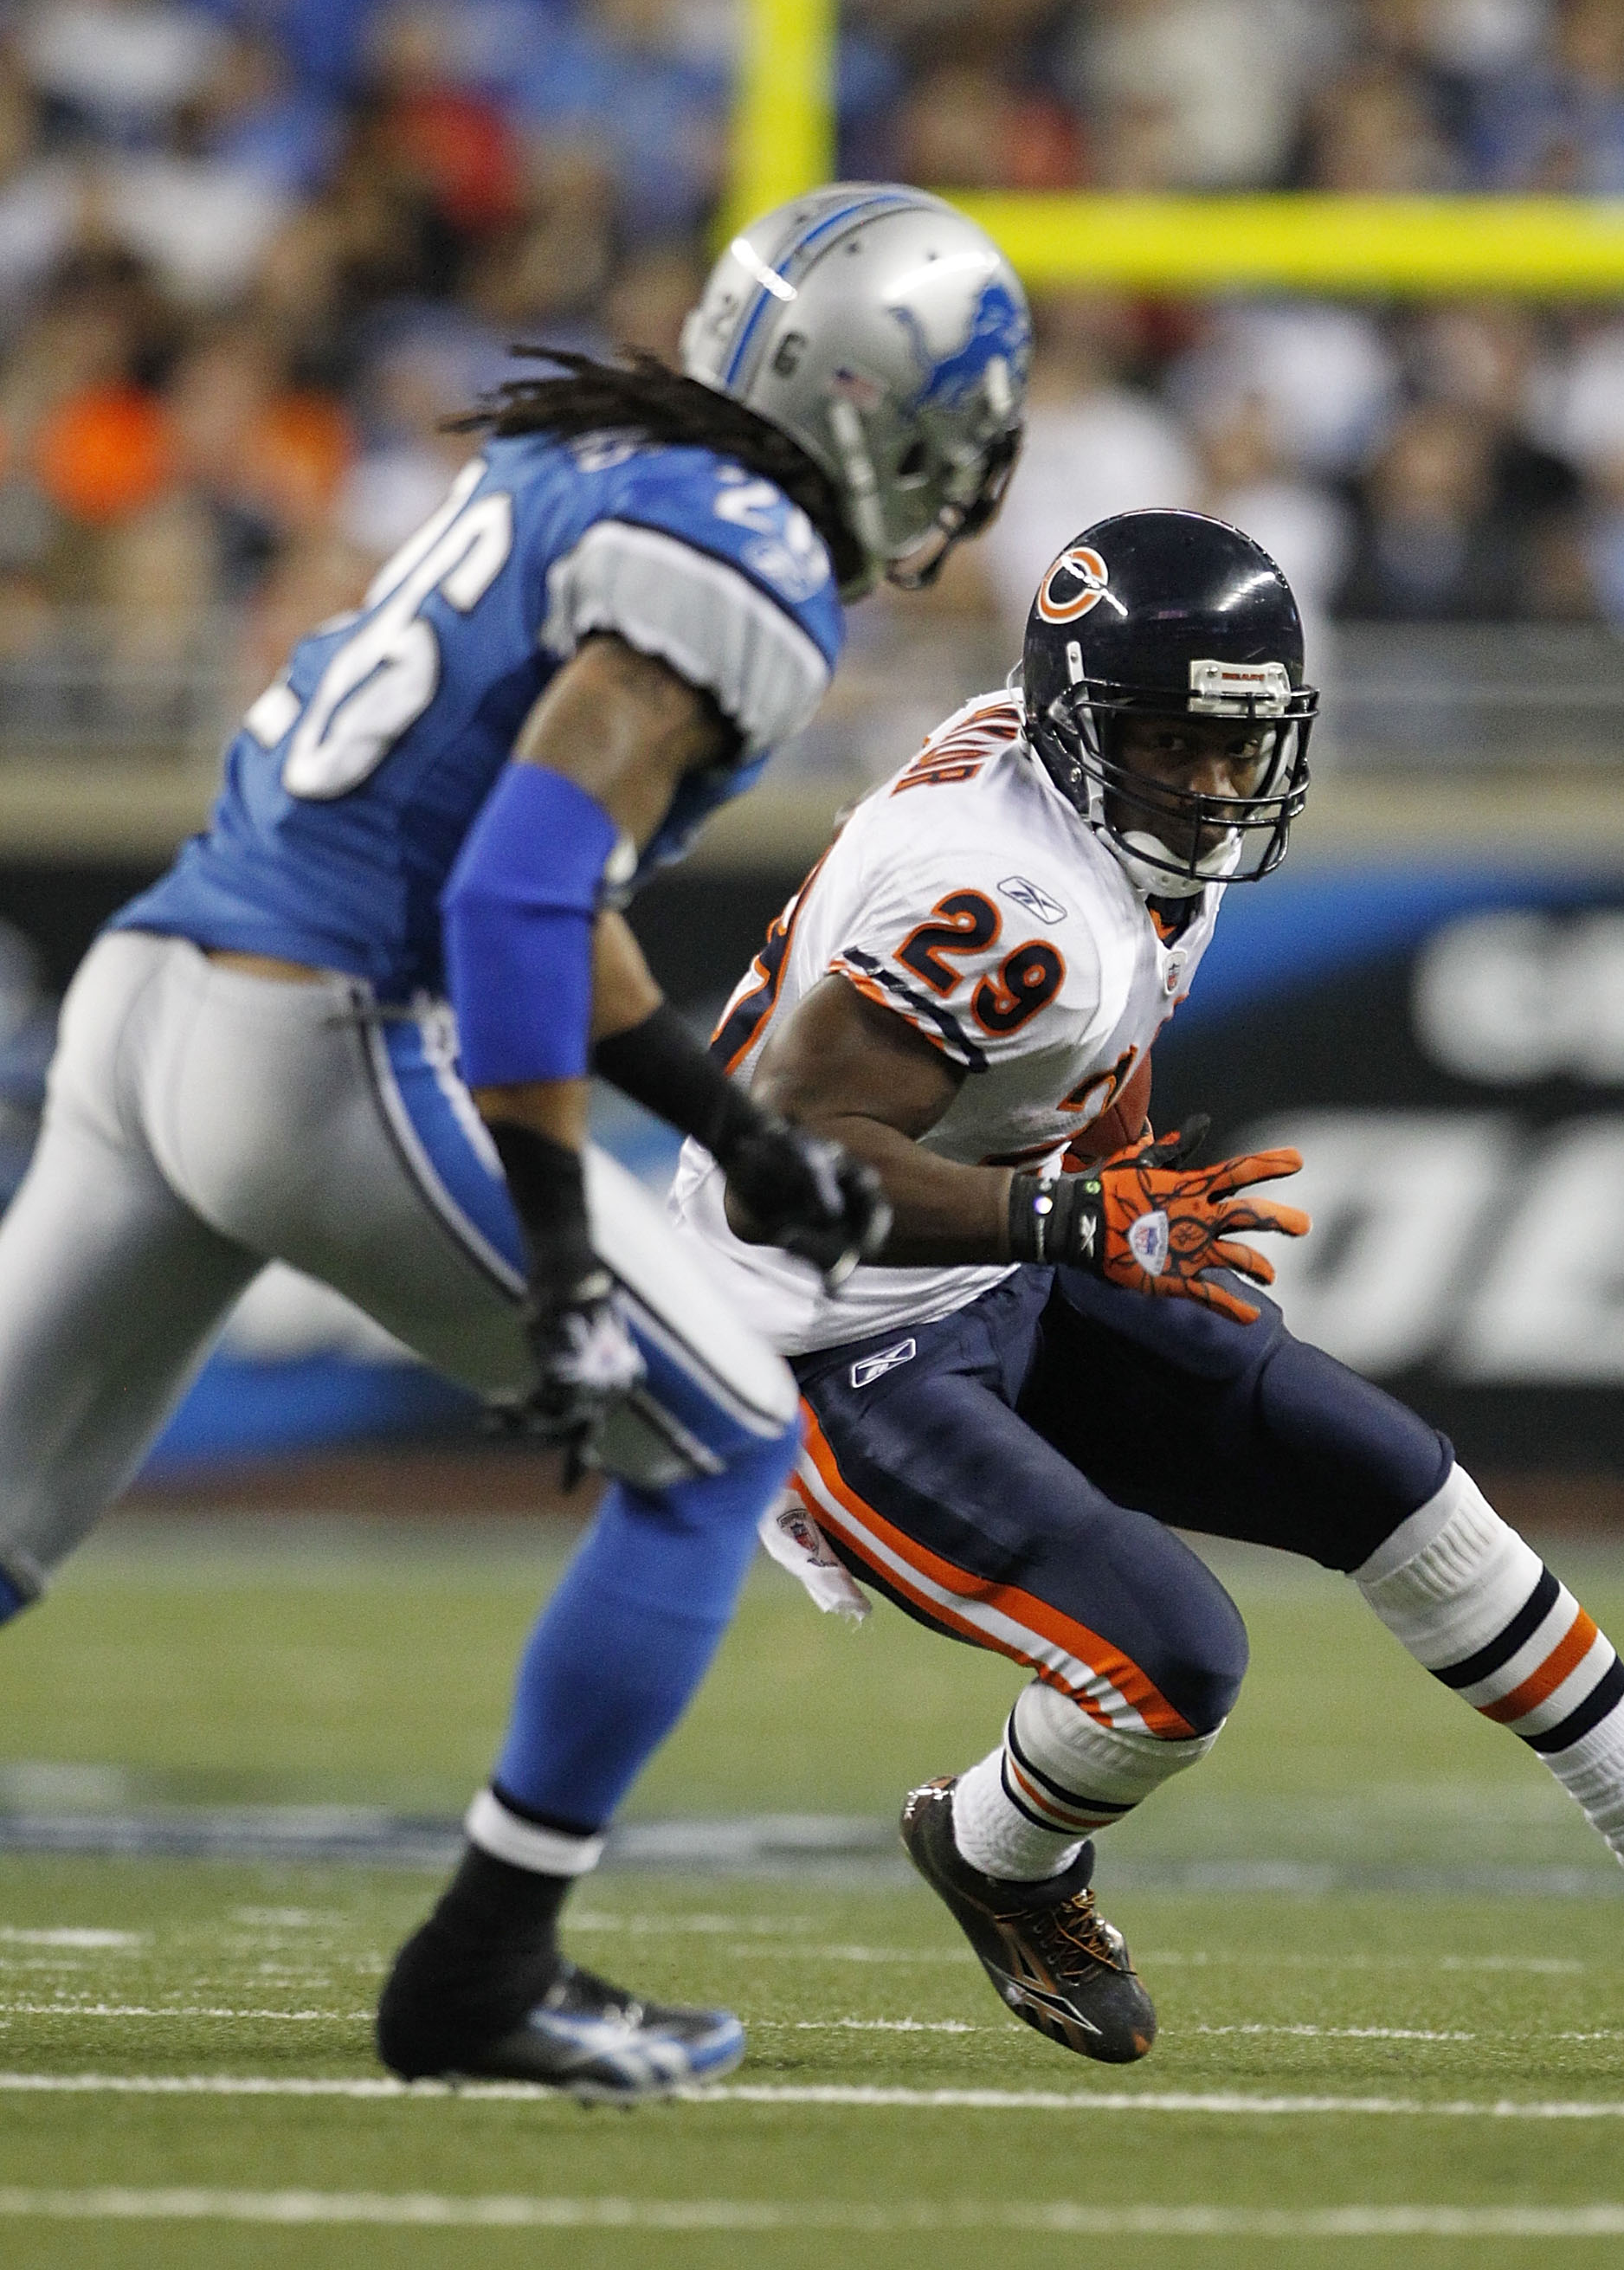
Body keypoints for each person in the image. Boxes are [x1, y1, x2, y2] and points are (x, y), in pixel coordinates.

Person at [650, 507, 1624, 2065]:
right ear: (1082, 727)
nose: (1211, 784)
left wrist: (1113, 1200)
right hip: (805, 1329)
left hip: (990, 1260)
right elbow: (780, 1161)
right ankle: (998, 1856)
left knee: (1390, 1473)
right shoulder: (1004, 897)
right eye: (1171, 741)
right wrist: (1078, 1223)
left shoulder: (1097, 818)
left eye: (1236, 743)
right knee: (1172, 1666)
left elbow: (1081, 1059)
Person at [0, 180, 1032, 2095]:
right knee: (723, 1440)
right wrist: (564, 1256)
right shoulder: (746, 557)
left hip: (155, 989)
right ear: (875, 413)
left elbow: (543, 868)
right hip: (319, 1028)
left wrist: (728, 1125)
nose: (960, 488)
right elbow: (511, 902)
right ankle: (483, 1970)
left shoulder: (597, 460)